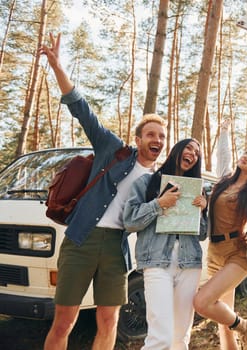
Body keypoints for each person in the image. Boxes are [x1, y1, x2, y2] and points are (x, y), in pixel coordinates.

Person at [39, 33, 167, 350]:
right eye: (151, 133)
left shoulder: (159, 181)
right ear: (138, 139)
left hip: (117, 250)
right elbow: (81, 109)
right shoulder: (112, 150)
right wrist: (57, 67)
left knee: (109, 323)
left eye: (162, 136)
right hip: (82, 238)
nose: (158, 139)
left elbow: (157, 219)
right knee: (64, 321)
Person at [193, 119, 247, 350]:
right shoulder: (225, 180)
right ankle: (241, 328)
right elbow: (224, 157)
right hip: (215, 253)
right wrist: (224, 132)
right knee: (223, 323)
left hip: (236, 255)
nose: (246, 156)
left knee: (202, 302)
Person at [123, 138, 207, 350]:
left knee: (180, 338)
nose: (192, 154)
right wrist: (158, 204)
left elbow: (203, 234)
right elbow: (130, 221)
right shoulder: (146, 182)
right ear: (177, 150)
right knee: (160, 337)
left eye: (197, 153)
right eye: (189, 148)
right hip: (157, 263)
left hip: (190, 264)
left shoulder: (197, 190)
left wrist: (203, 211)